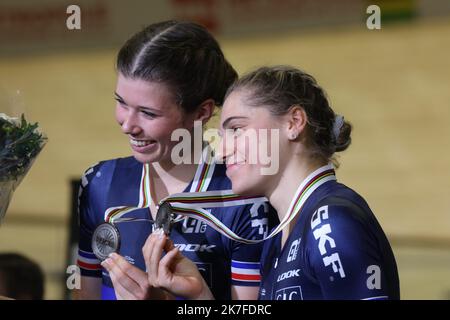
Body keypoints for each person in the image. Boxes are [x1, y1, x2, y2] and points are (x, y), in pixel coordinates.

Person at [142, 65, 400, 300]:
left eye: (236, 129)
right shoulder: (277, 240)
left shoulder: (330, 221)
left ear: (293, 123)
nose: (221, 152)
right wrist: (200, 295)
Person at [76, 21, 274, 300]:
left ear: (202, 112)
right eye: (121, 103)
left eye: (148, 113)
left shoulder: (244, 200)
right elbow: (86, 295)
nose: (127, 125)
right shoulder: (98, 183)